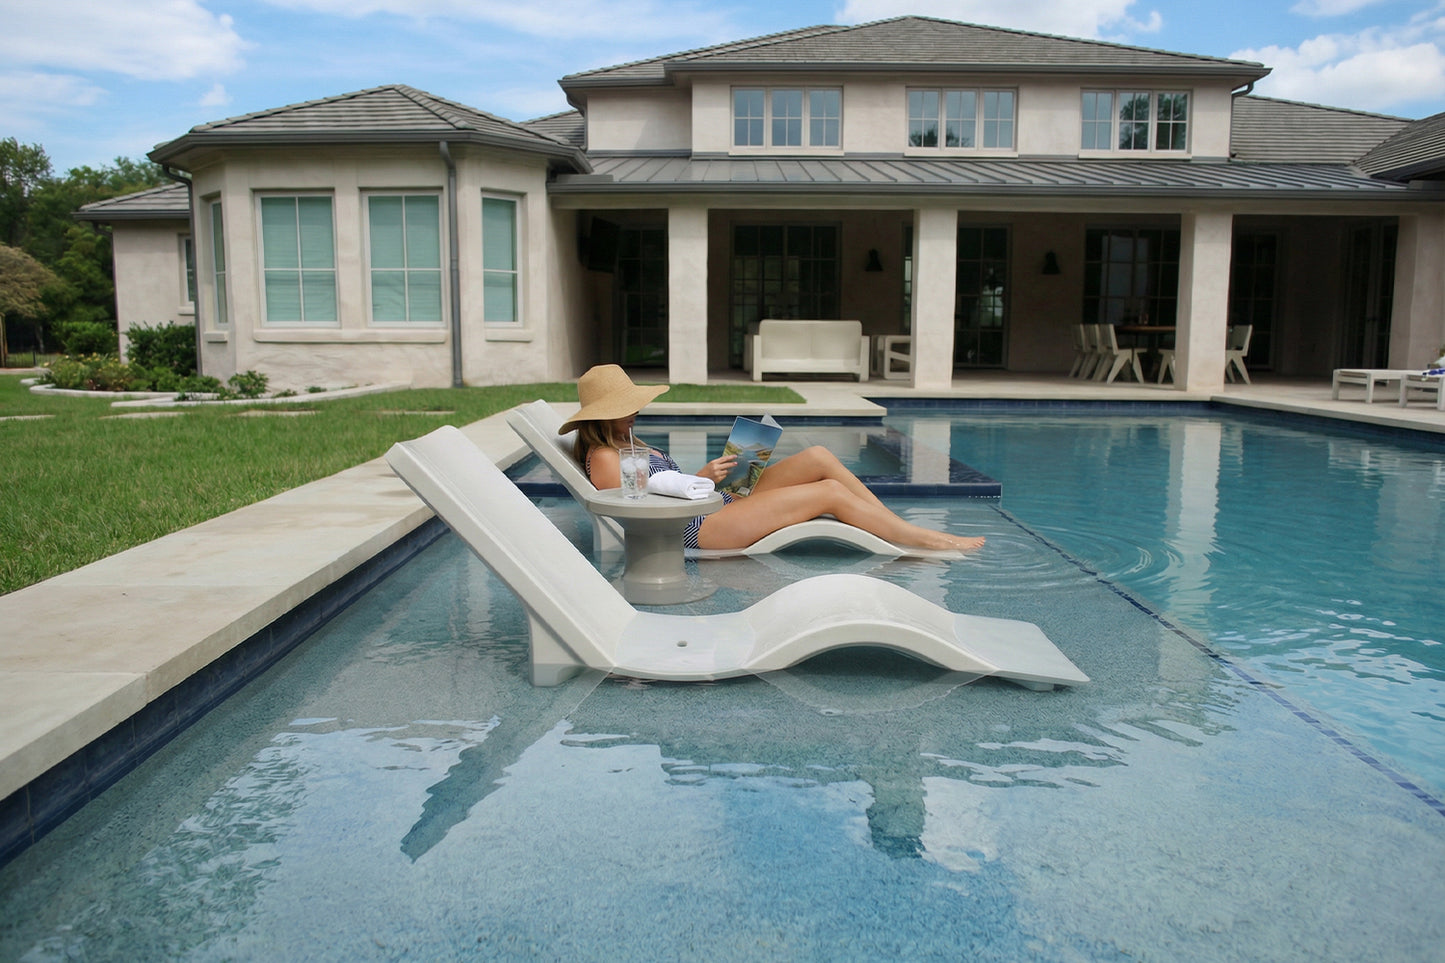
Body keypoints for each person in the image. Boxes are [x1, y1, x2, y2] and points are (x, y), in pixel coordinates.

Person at [559, 365, 985, 553]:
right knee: (829, 494)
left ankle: (894, 525)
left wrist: (718, 474)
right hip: (697, 529)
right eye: (625, 406)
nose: (635, 411)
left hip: (713, 503)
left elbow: (661, 484)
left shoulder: (628, 440)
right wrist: (701, 477)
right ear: (603, 413)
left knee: (818, 456)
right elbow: (634, 508)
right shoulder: (602, 456)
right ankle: (917, 537)